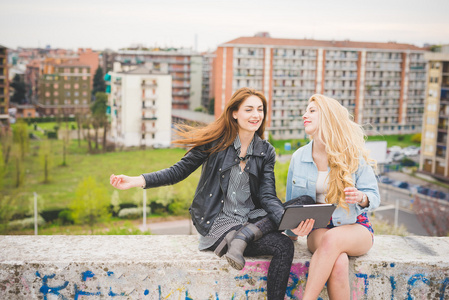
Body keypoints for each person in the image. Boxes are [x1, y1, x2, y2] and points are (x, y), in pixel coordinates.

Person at [110, 87, 313, 300]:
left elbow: (267, 196)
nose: (256, 115)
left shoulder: (265, 151)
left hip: (251, 220)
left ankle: (244, 236)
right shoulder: (215, 142)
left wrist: (284, 219)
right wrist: (137, 181)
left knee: (305, 203)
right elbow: (177, 171)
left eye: (260, 109)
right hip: (219, 223)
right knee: (282, 244)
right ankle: (241, 236)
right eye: (249, 109)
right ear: (235, 113)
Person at [286, 94, 380, 299]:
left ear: (327, 117)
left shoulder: (353, 154)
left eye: (312, 111)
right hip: (318, 230)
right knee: (338, 261)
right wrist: (291, 232)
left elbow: (374, 196)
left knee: (334, 242)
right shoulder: (298, 157)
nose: (305, 115)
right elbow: (291, 204)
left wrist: (361, 197)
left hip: (355, 227)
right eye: (305, 110)